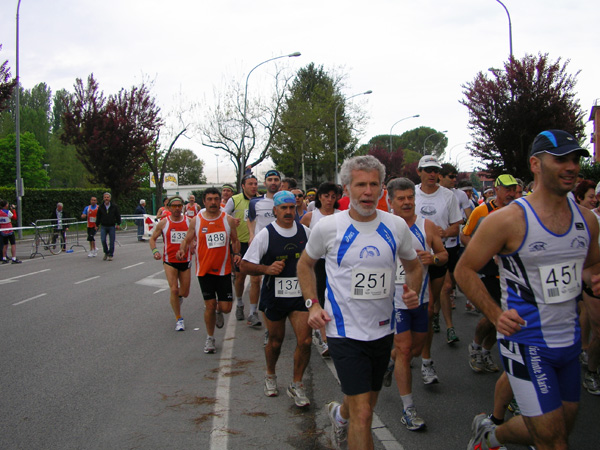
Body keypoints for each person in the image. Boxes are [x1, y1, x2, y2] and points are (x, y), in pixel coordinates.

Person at [455, 130, 600, 450]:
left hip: (569, 341)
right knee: (553, 440)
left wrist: (594, 279)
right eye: (561, 159)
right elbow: (463, 269)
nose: (572, 166)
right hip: (527, 341)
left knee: (562, 427)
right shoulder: (508, 220)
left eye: (576, 159)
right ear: (536, 164)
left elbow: (590, 268)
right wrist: (494, 314)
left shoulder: (587, 220)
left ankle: (491, 435)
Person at [297, 155, 423, 450]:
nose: (368, 192)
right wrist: (312, 304)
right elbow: (304, 265)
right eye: (361, 185)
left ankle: (339, 415)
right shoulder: (328, 227)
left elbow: (414, 266)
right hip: (343, 332)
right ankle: (348, 419)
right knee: (364, 414)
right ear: (347, 188)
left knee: (361, 404)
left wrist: (412, 290)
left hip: (382, 330)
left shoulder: (395, 226)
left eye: (374, 185)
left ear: (382, 189)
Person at [383, 177, 448, 431]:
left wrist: (433, 258)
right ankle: (408, 408)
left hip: (420, 300)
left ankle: (390, 361)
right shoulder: (382, 227)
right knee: (405, 348)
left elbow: (444, 255)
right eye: (401, 198)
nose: (407, 202)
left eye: (411, 197)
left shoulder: (427, 225)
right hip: (393, 301)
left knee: (416, 349)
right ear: (390, 202)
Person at [241, 190, 312, 407]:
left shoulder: (306, 232)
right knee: (275, 340)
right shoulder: (266, 234)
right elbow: (244, 265)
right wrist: (266, 268)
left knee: (306, 340)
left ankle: (297, 384)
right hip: (274, 296)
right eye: (284, 208)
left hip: (300, 296)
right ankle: (270, 374)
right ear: (275, 211)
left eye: (292, 207)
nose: (289, 212)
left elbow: (319, 260)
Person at [460, 174, 517, 377]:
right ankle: (475, 348)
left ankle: (486, 351)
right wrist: (483, 251)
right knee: (491, 314)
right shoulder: (481, 211)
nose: (511, 193)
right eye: (507, 189)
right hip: (488, 271)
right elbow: (464, 234)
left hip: (510, 273)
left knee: (504, 316)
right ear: (497, 189)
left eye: (514, 189)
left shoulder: (519, 211)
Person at [414, 155, 462, 385]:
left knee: (429, 309)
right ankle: (411, 352)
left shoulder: (448, 196)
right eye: (428, 170)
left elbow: (456, 225)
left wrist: (441, 234)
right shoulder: (410, 193)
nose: (432, 174)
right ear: (419, 172)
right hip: (413, 260)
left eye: (436, 170)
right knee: (421, 309)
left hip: (440, 256)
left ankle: (425, 359)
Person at [181, 188, 241, 354]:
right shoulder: (197, 220)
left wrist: (236, 254)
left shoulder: (227, 220)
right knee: (209, 304)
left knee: (226, 307)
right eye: (209, 199)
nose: (213, 202)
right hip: (204, 270)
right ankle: (210, 338)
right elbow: (187, 238)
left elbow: (235, 241)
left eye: (216, 199)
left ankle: (219, 311)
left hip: (223, 270)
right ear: (204, 201)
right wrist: (182, 249)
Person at [300, 182, 341, 357]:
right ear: (319, 197)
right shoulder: (310, 217)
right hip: (317, 263)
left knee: (336, 297)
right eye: (326, 196)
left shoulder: (342, 216)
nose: (329, 200)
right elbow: (300, 239)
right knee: (321, 297)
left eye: (333, 196)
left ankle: (334, 335)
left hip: (337, 263)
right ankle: (325, 340)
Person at [149, 196, 192, 331]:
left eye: (180, 206)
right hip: (169, 261)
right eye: (174, 206)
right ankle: (179, 318)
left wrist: (194, 244)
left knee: (184, 293)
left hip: (185, 260)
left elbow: (195, 238)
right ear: (169, 208)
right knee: (173, 289)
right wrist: (155, 251)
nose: (177, 208)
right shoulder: (163, 223)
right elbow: (152, 239)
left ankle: (178, 297)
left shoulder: (189, 222)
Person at [246, 169, 282, 327]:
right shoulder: (255, 202)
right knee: (255, 279)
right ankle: (252, 312)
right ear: (265, 182)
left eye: (276, 179)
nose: (273, 182)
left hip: (280, 245)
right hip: (262, 245)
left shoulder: (285, 199)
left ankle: (278, 313)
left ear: (280, 182)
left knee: (279, 278)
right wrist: (251, 235)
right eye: (270, 180)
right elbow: (250, 218)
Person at [224, 174, 258, 321]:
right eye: (250, 184)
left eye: (255, 184)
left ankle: (253, 311)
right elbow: (223, 216)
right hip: (240, 244)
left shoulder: (261, 200)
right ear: (243, 186)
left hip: (257, 244)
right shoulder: (234, 200)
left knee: (256, 279)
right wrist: (231, 221)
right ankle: (239, 303)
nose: (253, 187)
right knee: (239, 277)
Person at [95, 192, 121, 261]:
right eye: (105, 197)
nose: (106, 198)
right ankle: (106, 252)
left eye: (107, 197)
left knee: (112, 241)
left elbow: (117, 215)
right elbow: (98, 216)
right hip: (103, 226)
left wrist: (118, 224)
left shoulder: (114, 206)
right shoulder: (101, 207)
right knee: (103, 240)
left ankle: (110, 254)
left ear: (110, 198)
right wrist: (97, 224)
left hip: (111, 226)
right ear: (103, 198)